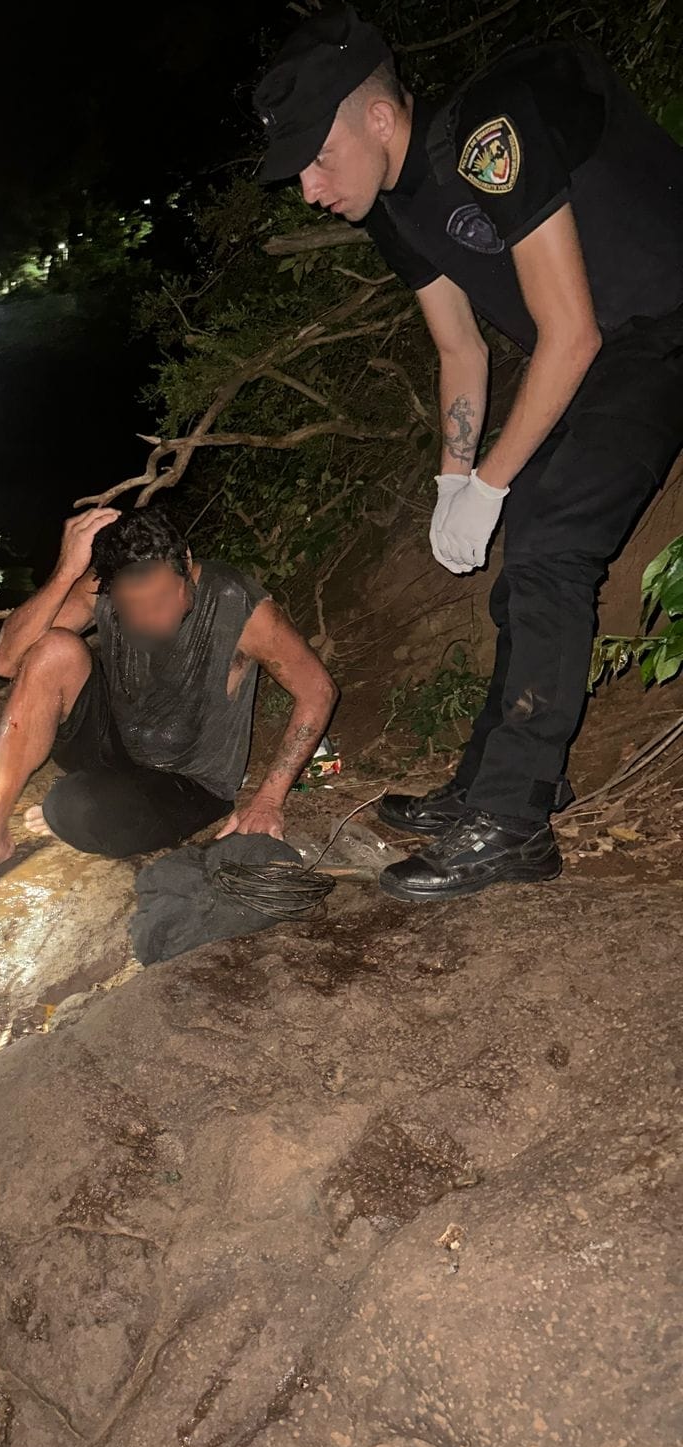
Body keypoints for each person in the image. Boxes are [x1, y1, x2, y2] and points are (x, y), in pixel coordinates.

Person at [254, 3, 683, 901]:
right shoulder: (386, 205)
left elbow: (568, 336)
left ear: (377, 117)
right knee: (524, 539)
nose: (307, 188)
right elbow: (461, 346)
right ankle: (499, 783)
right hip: (614, 342)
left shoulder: (491, 134)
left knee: (549, 538)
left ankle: (514, 826)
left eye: (315, 156)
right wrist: (454, 482)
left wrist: (491, 483)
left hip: (664, 319)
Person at [0, 504, 337, 911]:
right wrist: (66, 571)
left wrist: (269, 799)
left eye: (163, 598)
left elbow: (318, 690)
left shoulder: (237, 603)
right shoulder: (98, 585)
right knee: (53, 649)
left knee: (73, 808)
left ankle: (91, 801)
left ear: (186, 563)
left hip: (187, 781)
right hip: (117, 739)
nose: (150, 618)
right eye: (132, 606)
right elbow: (6, 661)